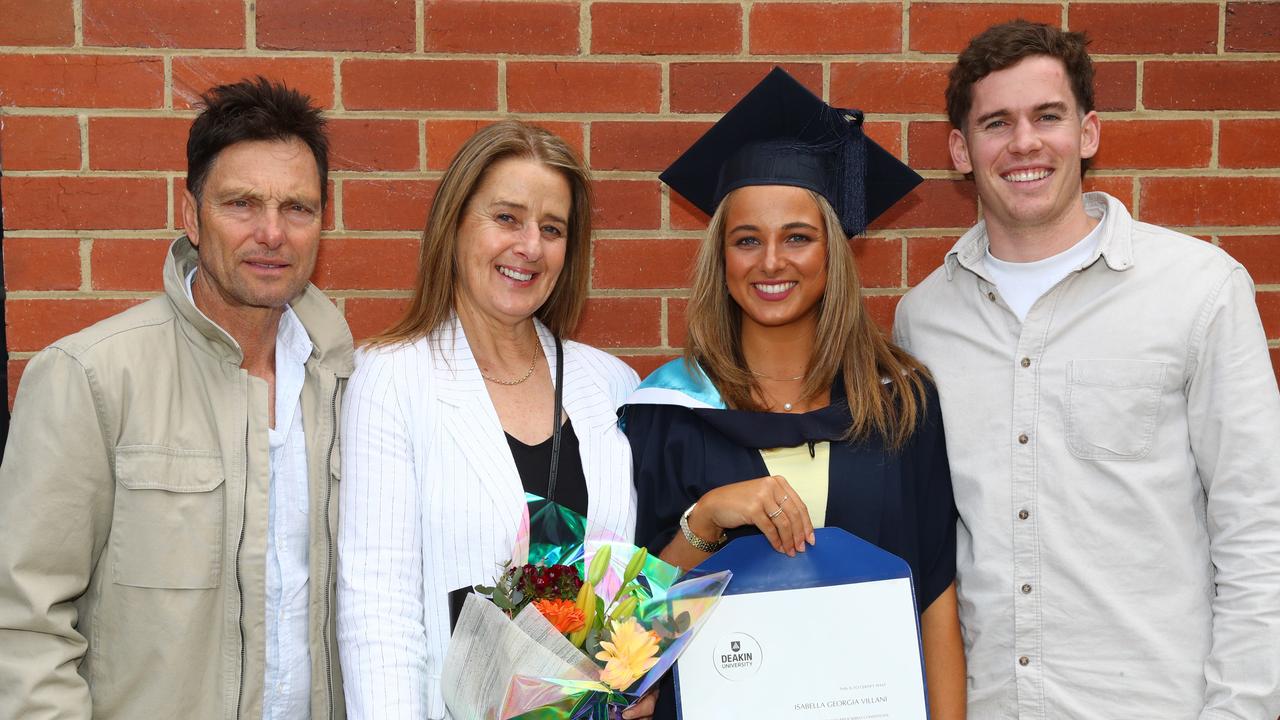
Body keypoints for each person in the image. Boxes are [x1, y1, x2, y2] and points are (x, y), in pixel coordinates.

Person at [893, 20, 1280, 719]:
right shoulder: (924, 320)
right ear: (960, 148)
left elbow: (1260, 530)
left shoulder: (1198, 289)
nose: (1025, 144)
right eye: (996, 123)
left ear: (1089, 131)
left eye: (1048, 116)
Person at [0, 77, 351, 719]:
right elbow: (23, 628)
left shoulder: (351, 386)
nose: (272, 233)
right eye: (241, 204)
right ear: (190, 215)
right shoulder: (91, 377)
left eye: (297, 208)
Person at [624, 68, 966, 718]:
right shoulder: (666, 413)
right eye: (747, 240)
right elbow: (631, 644)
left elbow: (936, 606)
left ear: (834, 251)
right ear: (721, 259)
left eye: (798, 237)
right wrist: (705, 520)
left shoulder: (901, 403)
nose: (771, 261)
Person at [337, 120, 653, 719]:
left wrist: (642, 680)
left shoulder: (610, 386)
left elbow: (629, 580)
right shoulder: (393, 379)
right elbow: (378, 611)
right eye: (506, 218)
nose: (530, 247)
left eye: (552, 228)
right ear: (455, 225)